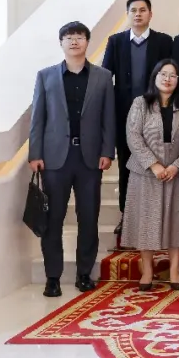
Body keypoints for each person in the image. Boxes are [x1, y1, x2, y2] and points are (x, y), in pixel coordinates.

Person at [29, 22, 115, 298]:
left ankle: (84, 274)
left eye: (79, 37)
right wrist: (35, 154)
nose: (74, 41)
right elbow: (38, 118)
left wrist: (107, 151)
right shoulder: (46, 76)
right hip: (55, 159)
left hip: (90, 159)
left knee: (88, 218)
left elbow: (108, 118)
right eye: (69, 37)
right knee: (53, 219)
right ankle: (52, 277)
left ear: (87, 42)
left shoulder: (103, 77)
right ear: (61, 43)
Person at [101, 0, 174, 245]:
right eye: (133, 10)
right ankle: (126, 214)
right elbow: (106, 78)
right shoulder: (116, 41)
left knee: (160, 161)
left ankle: (161, 215)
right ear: (128, 15)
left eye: (143, 10)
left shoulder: (164, 41)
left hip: (157, 112)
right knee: (127, 165)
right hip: (124, 114)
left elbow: (170, 74)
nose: (138, 14)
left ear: (150, 14)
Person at [123, 59, 179, 291]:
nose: (167, 79)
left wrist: (177, 166)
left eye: (173, 75)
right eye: (163, 74)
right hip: (145, 172)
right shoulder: (141, 103)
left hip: (175, 171)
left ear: (178, 80)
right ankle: (147, 270)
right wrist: (153, 165)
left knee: (176, 220)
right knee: (146, 221)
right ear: (155, 77)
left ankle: (174, 269)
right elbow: (133, 136)